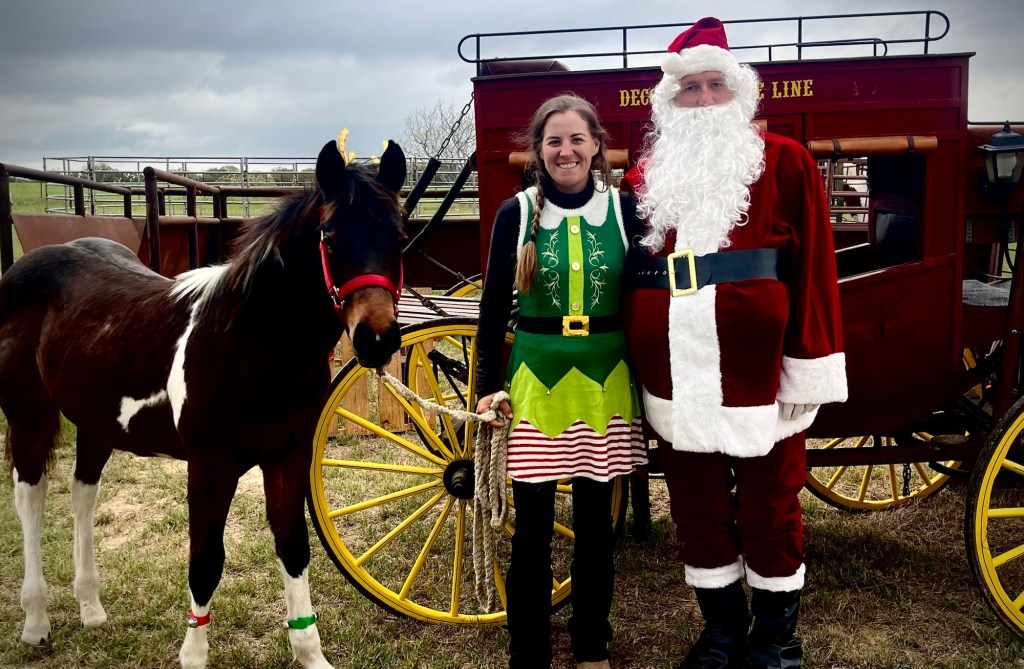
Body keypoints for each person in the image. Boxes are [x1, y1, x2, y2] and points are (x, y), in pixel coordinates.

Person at [620, 17, 848, 669]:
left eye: (714, 85)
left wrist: (807, 366)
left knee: (770, 507)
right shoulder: (643, 179)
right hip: (673, 374)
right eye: (689, 88)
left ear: (737, 91)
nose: (703, 99)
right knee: (695, 508)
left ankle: (775, 641)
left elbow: (813, 270)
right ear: (670, 101)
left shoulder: (784, 161)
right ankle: (721, 634)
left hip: (760, 374)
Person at [475, 94, 648, 669]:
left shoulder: (623, 210)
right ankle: (529, 652)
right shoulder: (517, 213)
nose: (566, 151)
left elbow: (648, 296)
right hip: (536, 383)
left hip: (605, 384)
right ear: (539, 149)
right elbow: (493, 309)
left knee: (597, 529)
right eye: (554, 141)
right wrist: (487, 384)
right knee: (532, 531)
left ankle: (591, 645)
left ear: (596, 145)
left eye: (577, 139)